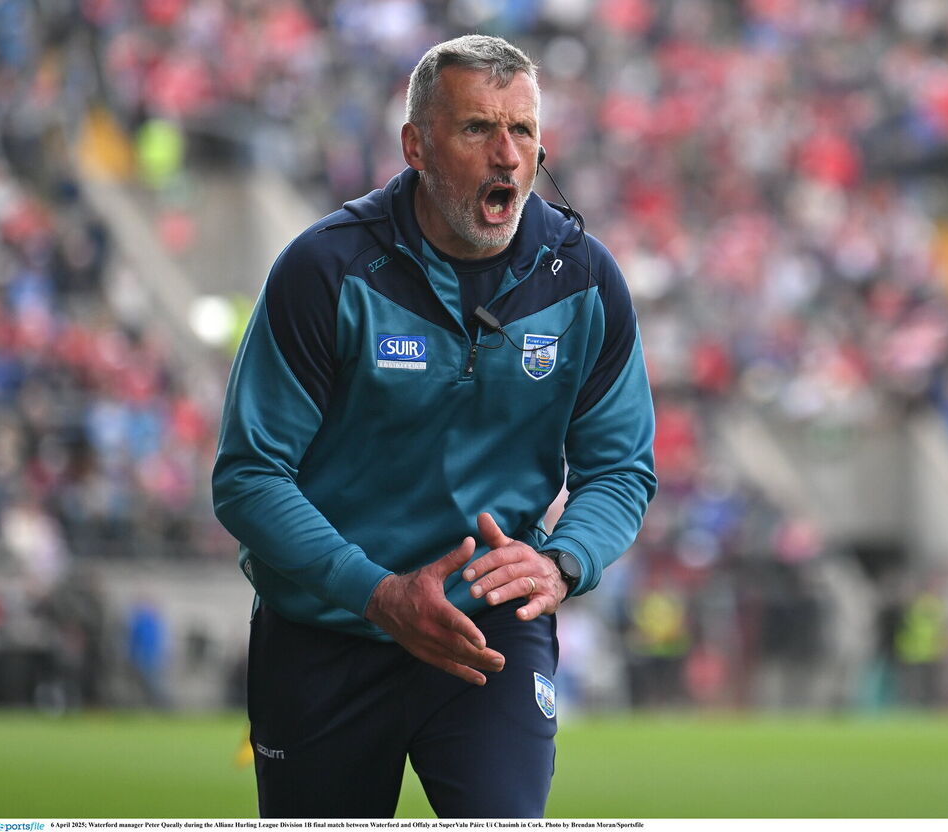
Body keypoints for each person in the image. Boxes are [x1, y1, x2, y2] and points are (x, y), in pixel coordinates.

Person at [212, 34, 656, 819]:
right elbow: (248, 478)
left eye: (522, 131)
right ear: (416, 143)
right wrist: (378, 594)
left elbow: (620, 469)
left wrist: (560, 565)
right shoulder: (324, 271)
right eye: (478, 128)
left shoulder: (585, 279)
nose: (508, 155)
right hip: (327, 632)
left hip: (487, 635)